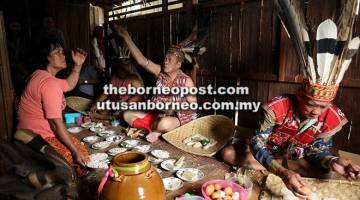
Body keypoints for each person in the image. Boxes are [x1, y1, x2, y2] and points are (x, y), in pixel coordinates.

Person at [17, 37, 89, 177]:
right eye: (57, 52)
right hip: (35, 139)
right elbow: (56, 124)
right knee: (82, 160)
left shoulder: (39, 75)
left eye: (62, 51)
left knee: (79, 146)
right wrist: (74, 151)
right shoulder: (50, 84)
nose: (63, 55)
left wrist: (78, 65)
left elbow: (68, 85)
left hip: (29, 134)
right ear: (46, 57)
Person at [115, 25, 197, 143]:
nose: (165, 61)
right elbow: (141, 60)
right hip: (158, 116)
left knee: (164, 123)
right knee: (127, 115)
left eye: (169, 60)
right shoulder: (160, 72)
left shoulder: (186, 81)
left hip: (178, 120)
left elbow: (193, 108)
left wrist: (174, 106)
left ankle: (157, 130)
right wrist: (126, 37)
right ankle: (154, 130)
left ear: (178, 65)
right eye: (165, 58)